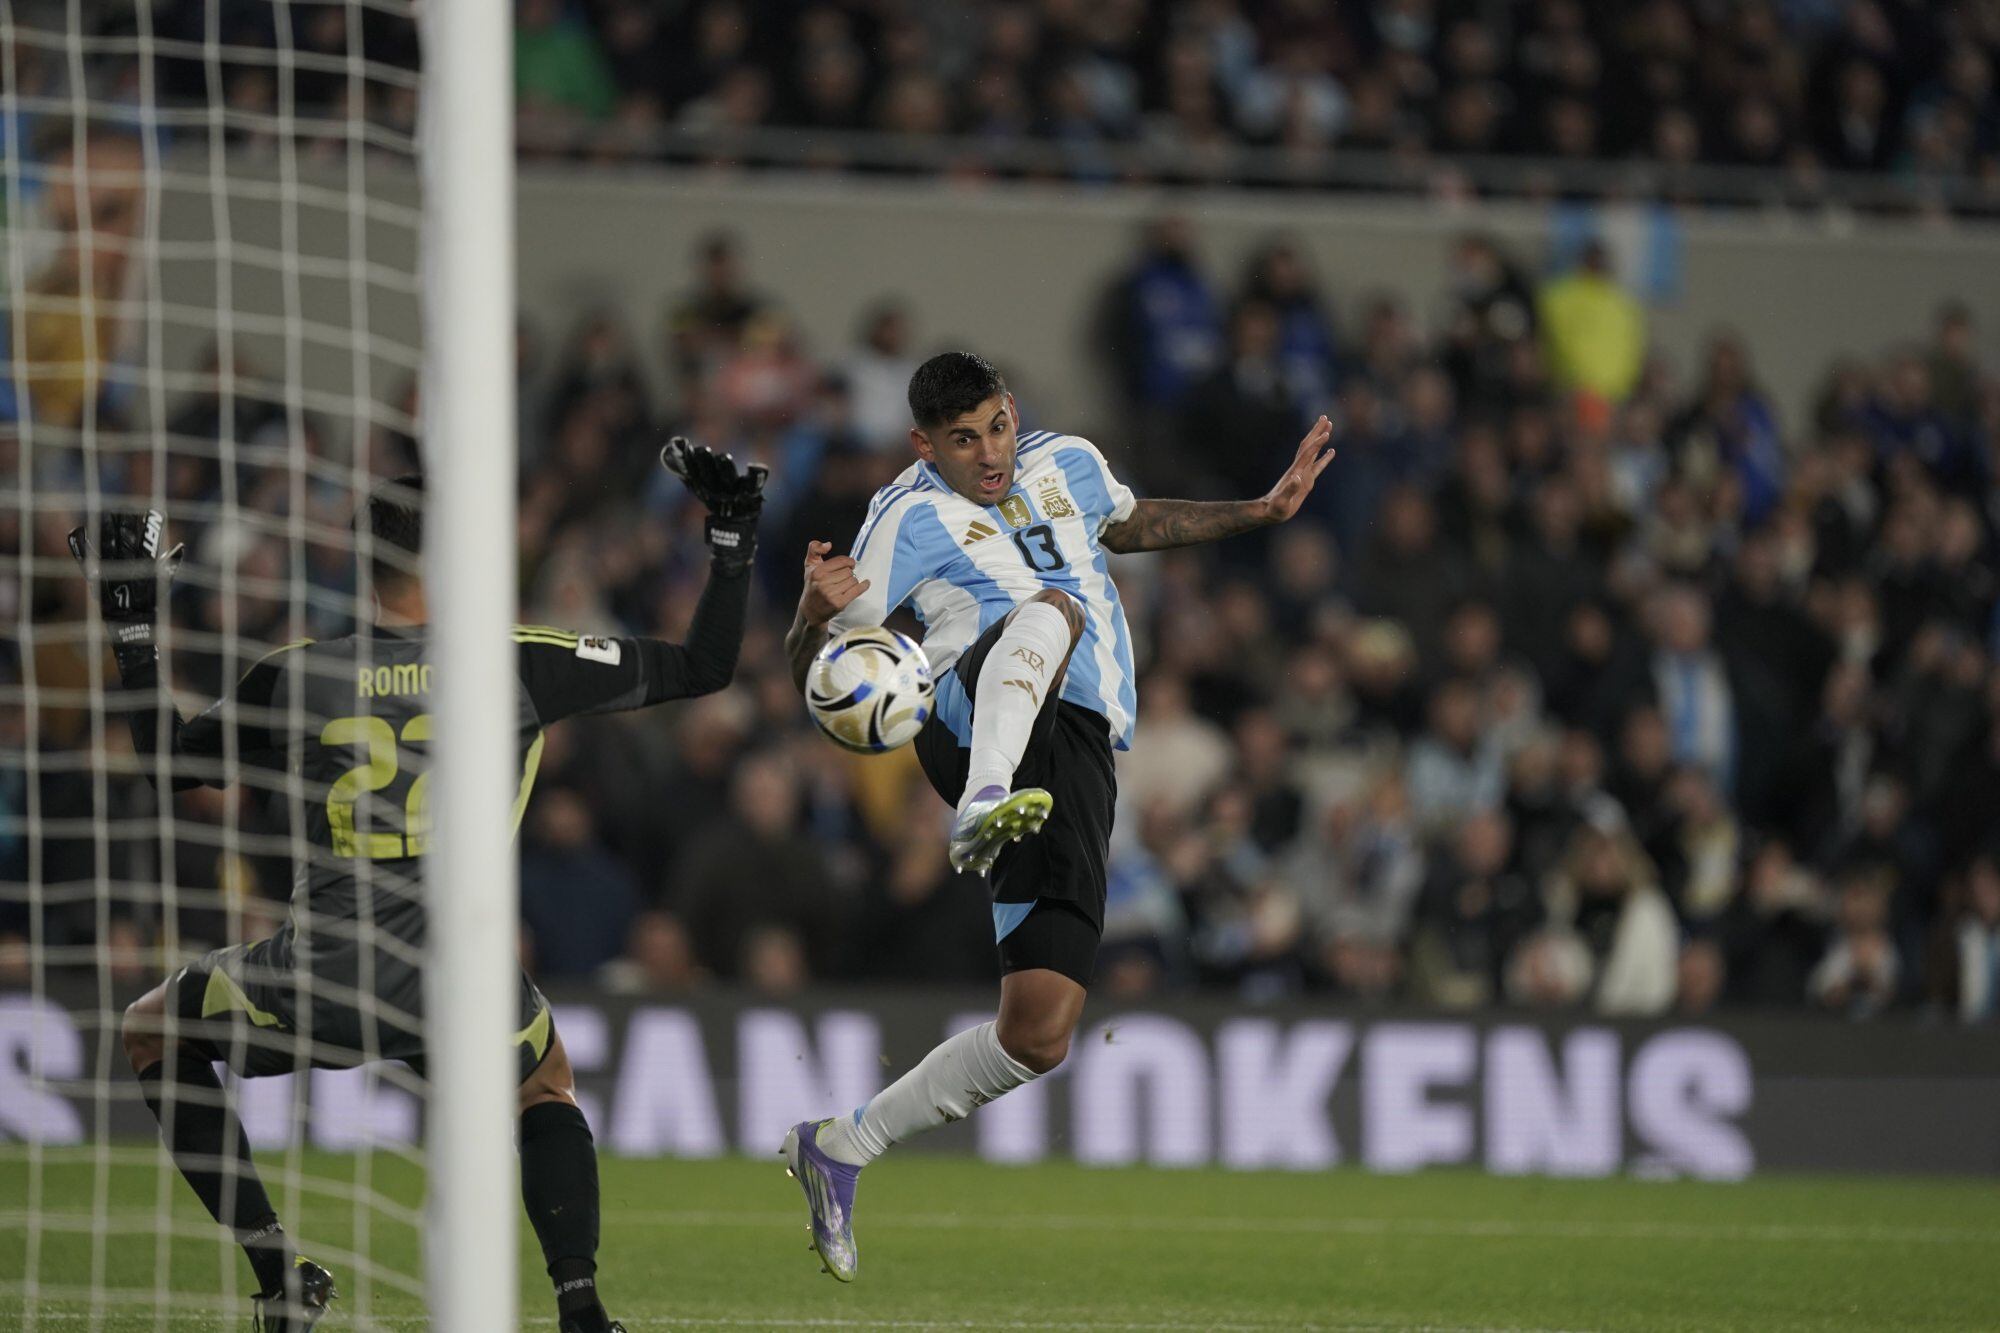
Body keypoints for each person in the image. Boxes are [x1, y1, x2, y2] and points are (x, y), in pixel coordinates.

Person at [80, 443, 764, 1332]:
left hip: (323, 975)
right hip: (458, 984)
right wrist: (732, 536)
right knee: (543, 1085)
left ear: (367, 564)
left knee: (149, 1029)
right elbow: (703, 666)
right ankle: (580, 1305)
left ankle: (281, 1275)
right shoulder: (521, 662)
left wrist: (135, 635)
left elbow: (170, 767)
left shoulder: (297, 672)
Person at [778, 350, 1334, 1281]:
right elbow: (824, 672)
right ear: (925, 444)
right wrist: (806, 612)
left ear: (1013, 411)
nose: (989, 454)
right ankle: (984, 800)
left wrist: (1262, 510)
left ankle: (841, 1144)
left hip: (1076, 753)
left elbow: (1129, 521)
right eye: (964, 440)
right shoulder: (902, 516)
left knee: (1038, 1031)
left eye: (997, 426)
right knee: (1052, 608)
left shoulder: (1068, 459)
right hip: (964, 719)